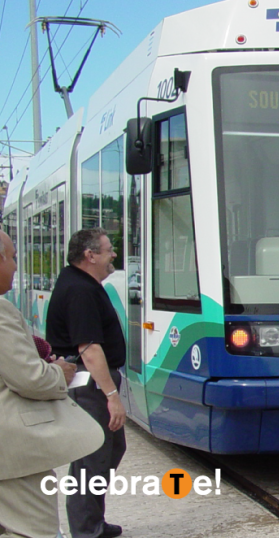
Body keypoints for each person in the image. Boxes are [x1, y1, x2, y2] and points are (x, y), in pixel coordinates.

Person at [0, 230, 103, 538]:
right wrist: (59, 372)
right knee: (34, 530)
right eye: (14, 257)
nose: (17, 266)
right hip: (13, 452)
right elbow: (29, 378)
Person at [48, 228, 128, 538]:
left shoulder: (81, 284)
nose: (114, 255)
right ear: (90, 255)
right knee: (92, 458)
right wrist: (112, 395)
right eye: (109, 249)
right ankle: (86, 530)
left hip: (88, 384)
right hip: (89, 386)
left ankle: (92, 521)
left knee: (107, 452)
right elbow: (90, 349)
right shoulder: (80, 290)